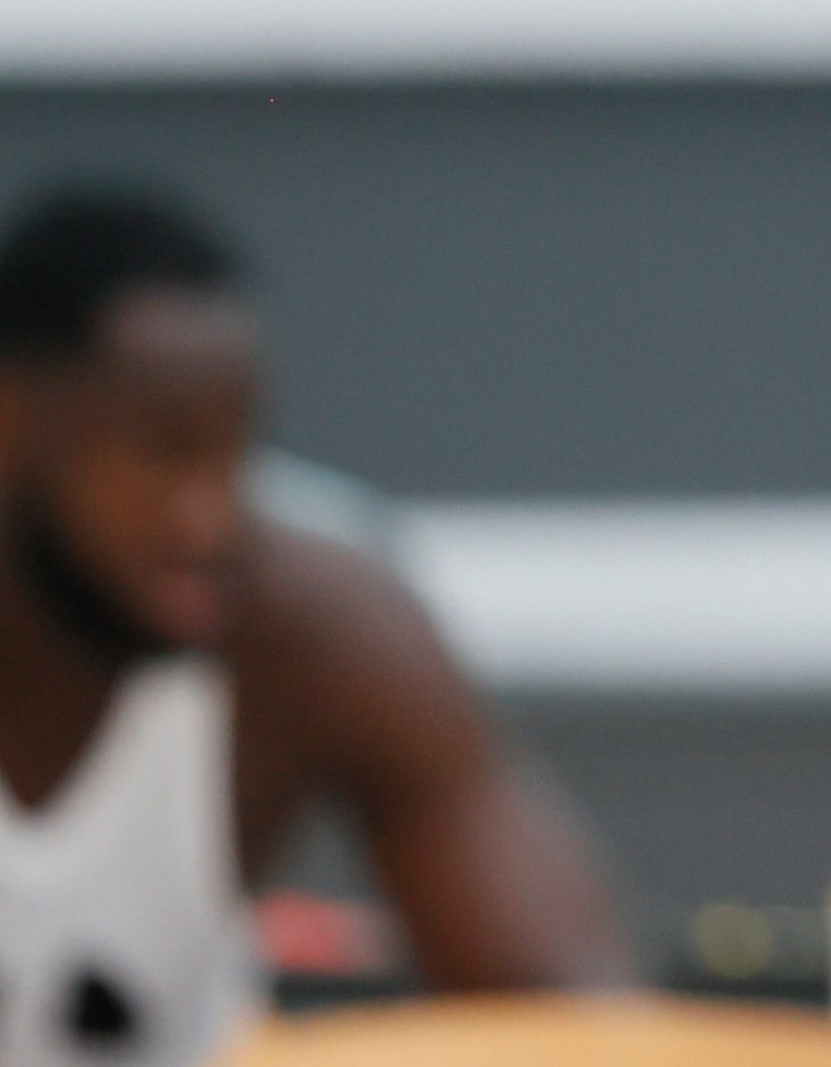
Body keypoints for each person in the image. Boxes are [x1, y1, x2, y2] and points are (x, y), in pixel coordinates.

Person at [0, 185, 627, 1065]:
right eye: (159, 451)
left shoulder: (320, 628)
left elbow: (567, 1024)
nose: (208, 519)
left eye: (234, 449)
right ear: (12, 422)